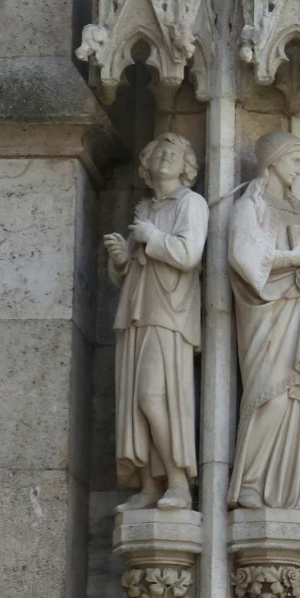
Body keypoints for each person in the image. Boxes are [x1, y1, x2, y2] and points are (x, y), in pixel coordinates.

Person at [228, 131, 300, 511]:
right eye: (294, 161)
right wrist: (291, 259)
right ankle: (251, 483)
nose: (298, 170)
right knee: (270, 398)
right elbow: (243, 257)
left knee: (296, 398)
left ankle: (289, 491)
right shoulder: (251, 206)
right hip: (268, 315)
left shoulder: (299, 211)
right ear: (273, 160)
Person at [105, 133, 208, 510]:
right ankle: (151, 484)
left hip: (170, 312)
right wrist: (120, 259)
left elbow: (188, 253)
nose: (165, 157)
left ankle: (179, 481)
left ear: (186, 166)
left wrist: (152, 238)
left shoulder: (190, 203)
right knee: (136, 400)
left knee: (154, 395)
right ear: (146, 164)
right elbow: (133, 267)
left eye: (174, 153)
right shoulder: (145, 208)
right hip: (137, 309)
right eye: (158, 152)